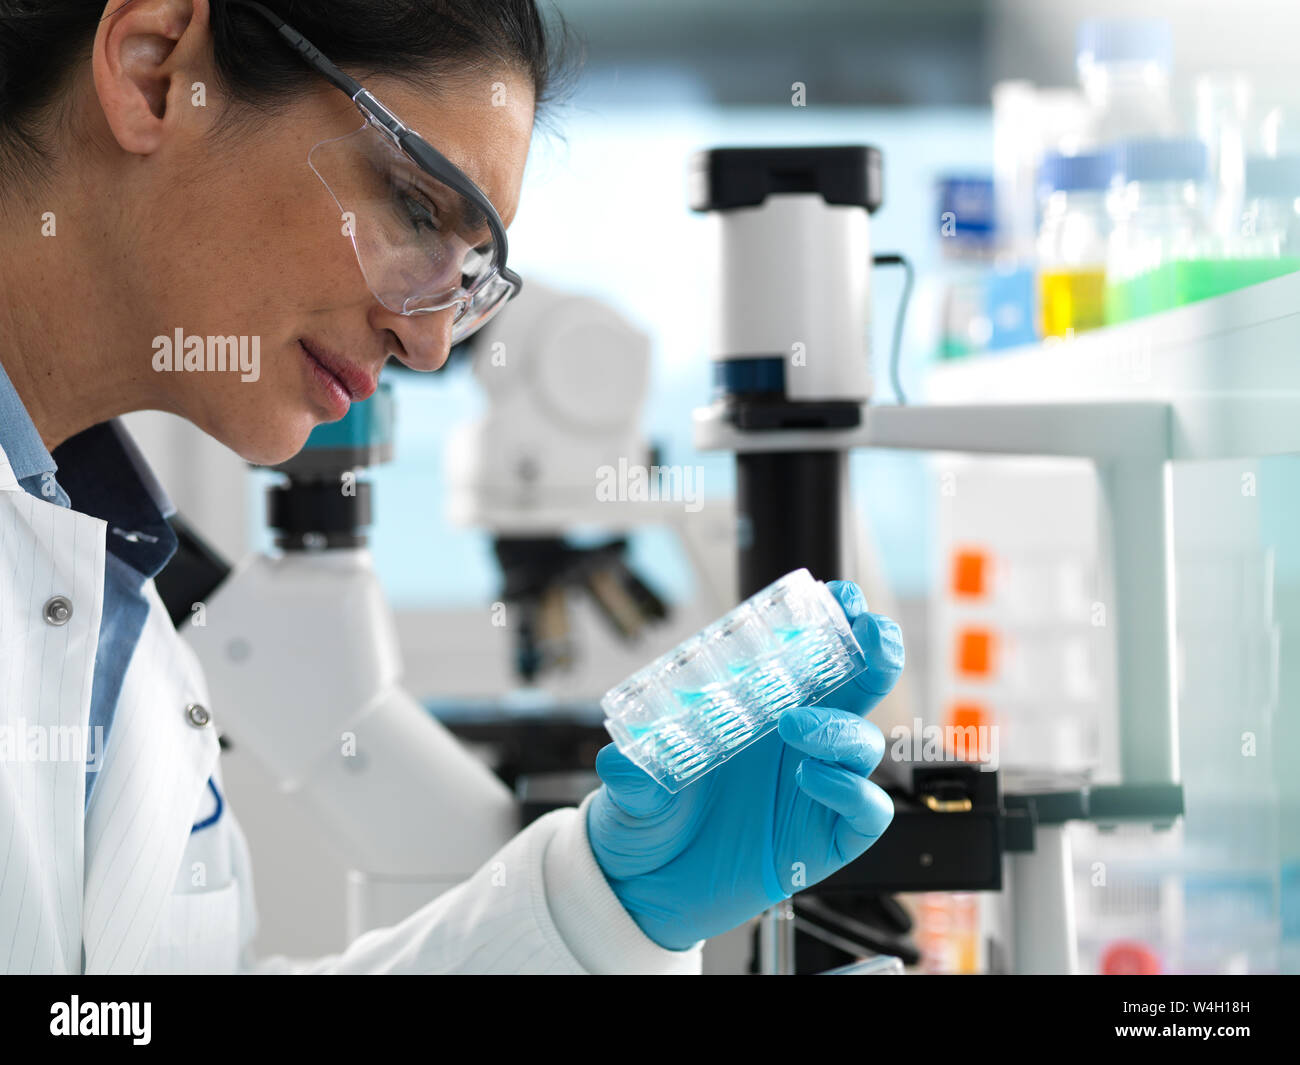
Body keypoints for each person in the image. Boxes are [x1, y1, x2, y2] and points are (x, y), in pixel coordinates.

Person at [0, 0, 904, 974]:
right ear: (155, 71)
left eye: (469, 278)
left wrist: (599, 913)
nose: (427, 345)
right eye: (416, 209)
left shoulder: (103, 575)